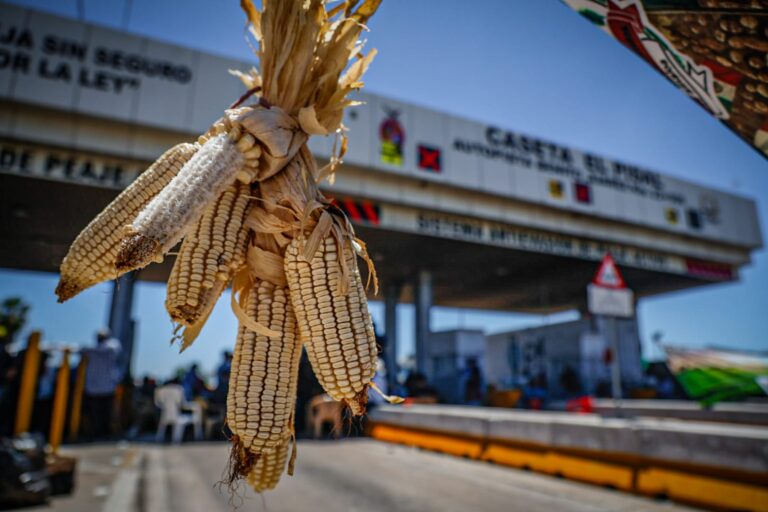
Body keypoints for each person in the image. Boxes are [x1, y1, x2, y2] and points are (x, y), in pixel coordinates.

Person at [82, 329, 121, 439]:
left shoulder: (111, 346)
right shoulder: (93, 350)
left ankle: (104, 433)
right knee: (94, 414)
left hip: (106, 389)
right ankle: (95, 433)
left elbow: (112, 348)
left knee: (105, 413)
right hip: (94, 389)